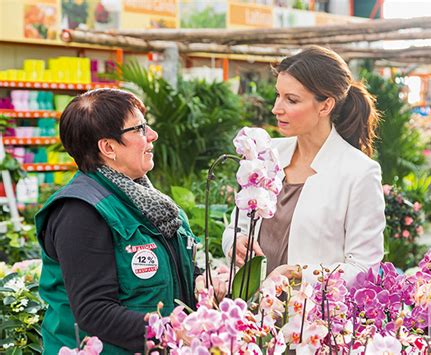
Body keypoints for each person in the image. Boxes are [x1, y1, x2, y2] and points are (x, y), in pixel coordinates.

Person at [35, 89, 220, 354]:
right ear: (108, 147)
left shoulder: (150, 201)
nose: (153, 135)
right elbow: (94, 311)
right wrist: (167, 330)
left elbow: (175, 267)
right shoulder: (81, 212)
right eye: (141, 128)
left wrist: (201, 280)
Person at [222, 46, 385, 287]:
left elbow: (363, 269)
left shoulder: (359, 172)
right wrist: (234, 242)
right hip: (252, 312)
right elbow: (237, 225)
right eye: (278, 95)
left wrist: (301, 273)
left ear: (325, 106)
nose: (276, 108)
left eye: (291, 100)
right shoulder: (267, 154)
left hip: (311, 318)